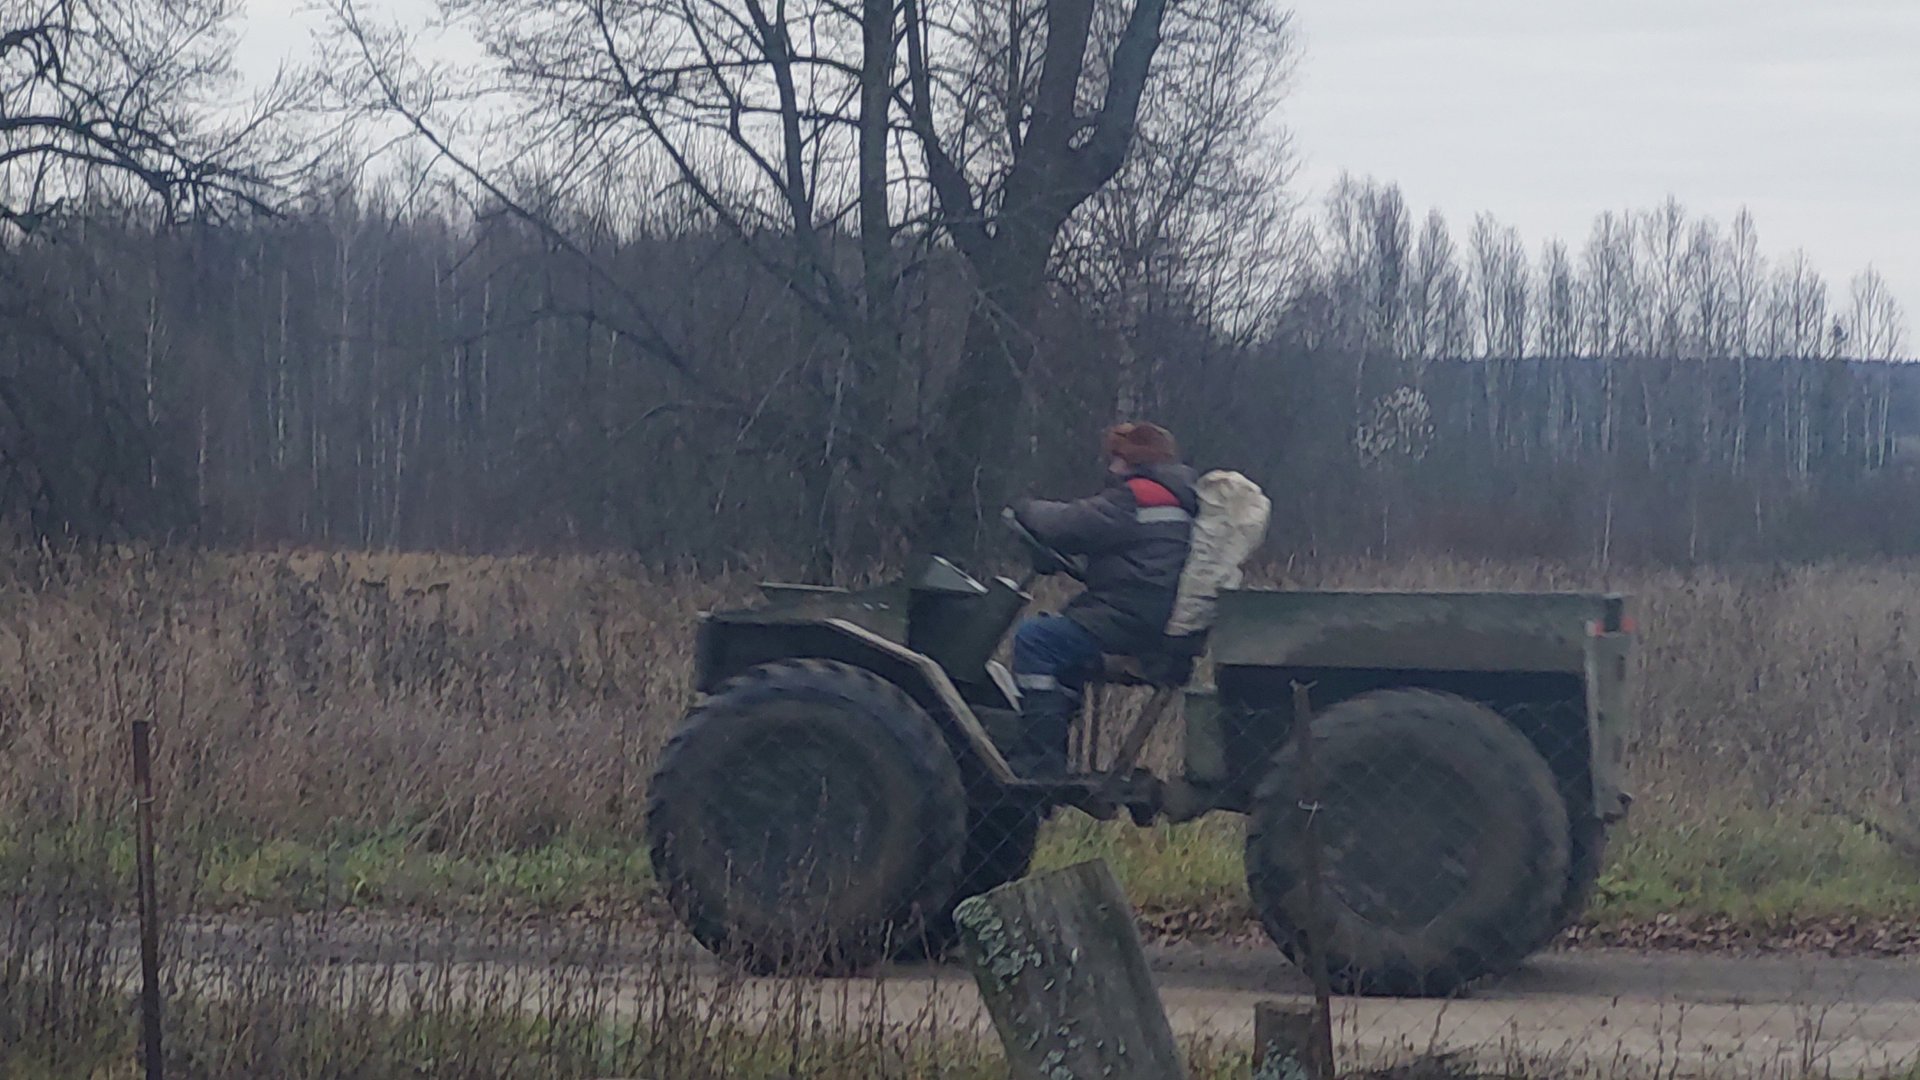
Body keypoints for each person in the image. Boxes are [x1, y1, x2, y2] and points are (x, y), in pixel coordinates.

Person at [1007, 421, 1198, 778]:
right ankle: (1052, 747)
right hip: (1144, 611)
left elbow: (1070, 523)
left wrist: (1024, 509)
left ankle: (1040, 757)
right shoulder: (1176, 497)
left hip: (1128, 616)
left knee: (1036, 640)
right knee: (1059, 639)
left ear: (1132, 460)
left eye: (1116, 458)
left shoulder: (1140, 495)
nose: (1111, 468)